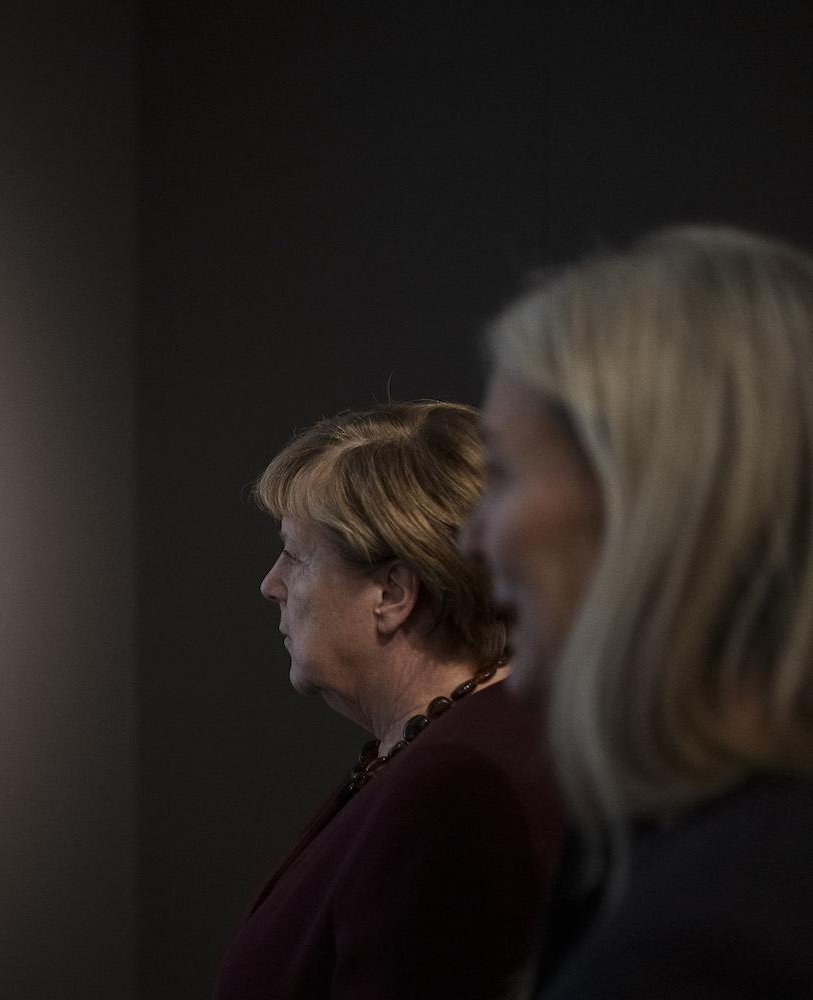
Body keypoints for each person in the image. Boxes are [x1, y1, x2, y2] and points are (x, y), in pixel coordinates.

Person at [461, 226, 813, 997]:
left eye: (505, 474)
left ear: (657, 507)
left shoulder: (714, 943)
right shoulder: (672, 852)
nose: (470, 536)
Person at [214, 401, 566, 1000]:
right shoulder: (449, 749)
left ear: (393, 592)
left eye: (296, 556)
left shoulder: (456, 789)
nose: (270, 584)